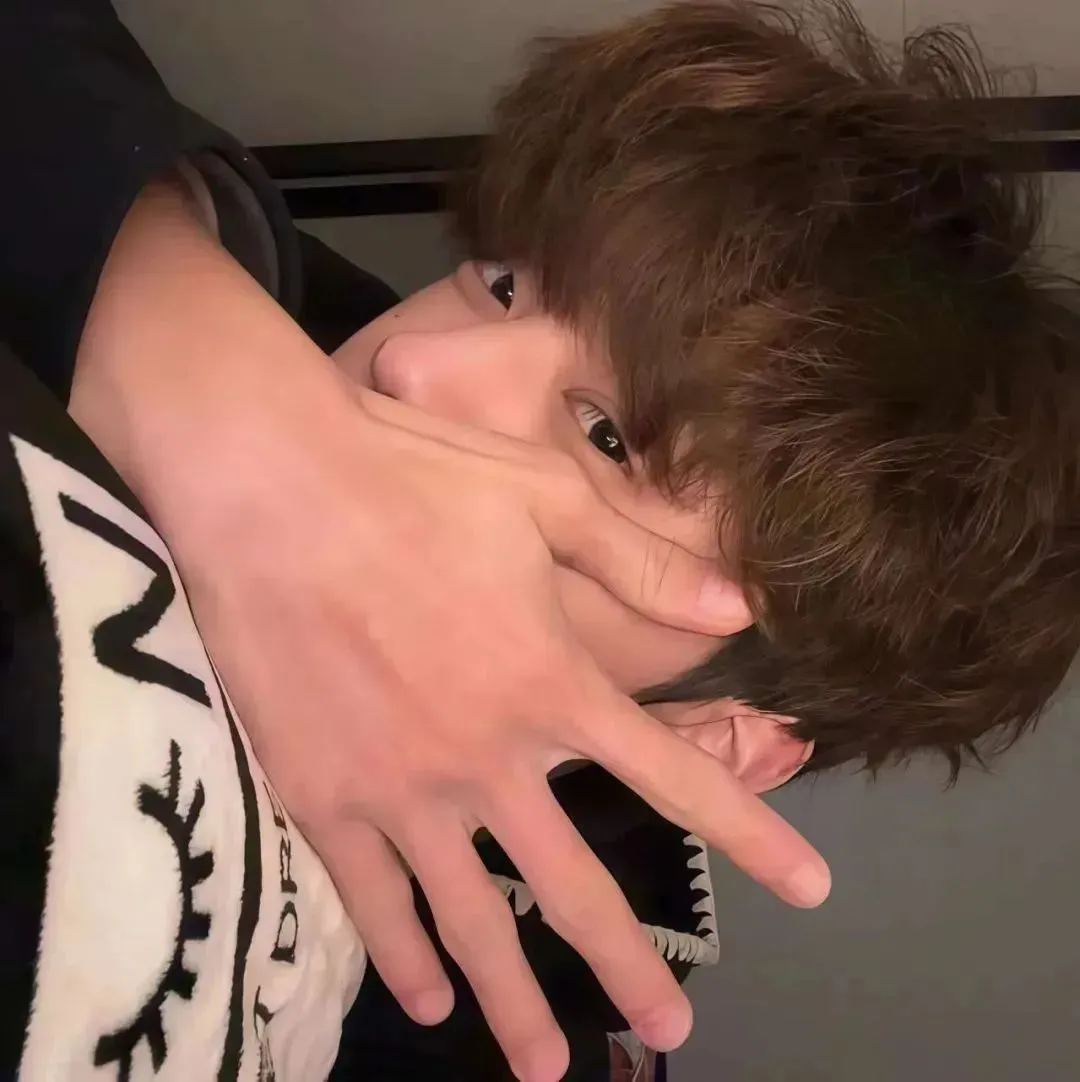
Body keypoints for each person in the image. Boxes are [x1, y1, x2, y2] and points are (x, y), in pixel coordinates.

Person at [3, 1, 1079, 1080]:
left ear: (716, 742)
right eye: (504, 283)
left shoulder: (472, 1033)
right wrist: (152, 299)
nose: (416, 364)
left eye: (607, 437)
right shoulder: (273, 304)